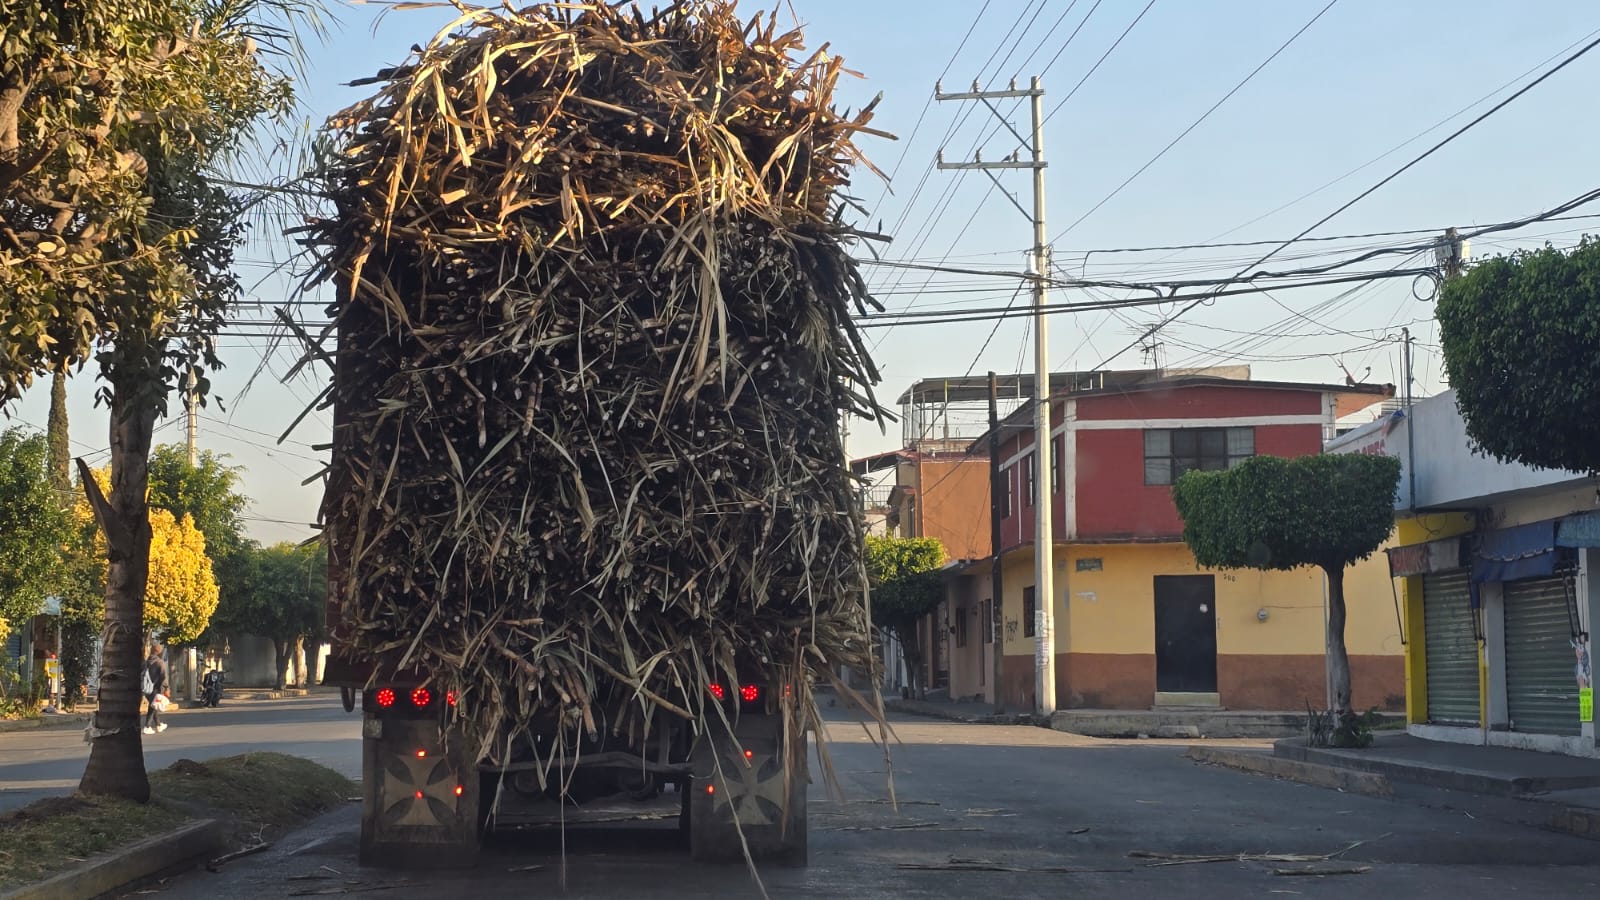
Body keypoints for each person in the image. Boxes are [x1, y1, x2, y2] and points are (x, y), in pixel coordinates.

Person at [143, 643, 169, 735]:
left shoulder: (146, 662)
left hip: (146, 688)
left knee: (153, 705)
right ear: (159, 652)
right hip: (156, 688)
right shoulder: (159, 662)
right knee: (152, 706)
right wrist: (166, 688)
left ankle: (158, 725)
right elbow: (163, 676)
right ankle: (147, 726)